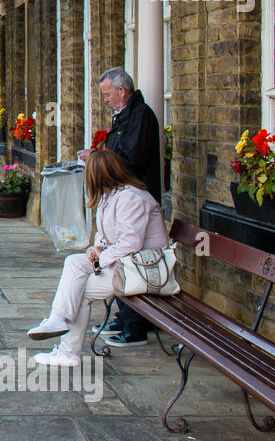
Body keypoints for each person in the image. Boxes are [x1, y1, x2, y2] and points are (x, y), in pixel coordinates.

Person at [26, 149, 169, 366]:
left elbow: (131, 243)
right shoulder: (110, 196)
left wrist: (101, 257)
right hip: (125, 264)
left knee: (79, 292)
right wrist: (97, 247)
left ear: (97, 175)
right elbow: (107, 234)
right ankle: (58, 320)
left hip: (144, 270)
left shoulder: (131, 197)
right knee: (73, 262)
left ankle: (68, 351)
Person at [77, 68, 163, 347]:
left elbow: (131, 157)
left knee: (131, 258)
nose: (105, 99)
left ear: (122, 91)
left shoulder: (140, 116)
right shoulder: (126, 115)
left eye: (107, 94)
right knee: (120, 256)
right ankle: (125, 318)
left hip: (134, 198)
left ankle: (135, 324)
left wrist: (99, 157)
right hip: (122, 196)